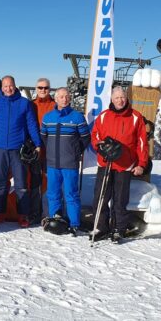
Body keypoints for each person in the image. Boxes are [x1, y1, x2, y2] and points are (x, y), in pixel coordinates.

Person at [90, 87, 148, 243]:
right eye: (116, 98)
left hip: (125, 164)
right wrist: (100, 146)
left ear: (126, 98)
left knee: (120, 199)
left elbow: (142, 142)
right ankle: (101, 227)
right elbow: (95, 136)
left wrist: (141, 163)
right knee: (100, 197)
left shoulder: (136, 117)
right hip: (106, 163)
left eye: (122, 97)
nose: (120, 100)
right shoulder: (103, 116)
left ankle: (118, 229)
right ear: (111, 99)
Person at [0, 75, 42, 227]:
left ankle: (23, 215)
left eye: (10, 85)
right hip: (0, 149)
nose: (8, 88)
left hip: (18, 148)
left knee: (21, 184)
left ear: (15, 86)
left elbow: (31, 125)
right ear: (1, 88)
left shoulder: (24, 103)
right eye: (5, 86)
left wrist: (37, 143)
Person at [40, 88, 90, 235]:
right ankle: (56, 218)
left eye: (67, 96)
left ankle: (74, 222)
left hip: (70, 163)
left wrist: (75, 152)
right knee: (53, 193)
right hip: (52, 163)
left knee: (71, 194)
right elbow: (44, 137)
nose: (64, 99)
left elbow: (85, 138)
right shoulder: (48, 118)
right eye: (61, 97)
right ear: (56, 99)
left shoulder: (77, 117)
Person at [28, 77, 55, 223]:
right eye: (40, 88)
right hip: (35, 149)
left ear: (49, 89)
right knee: (35, 182)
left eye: (45, 88)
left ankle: (52, 213)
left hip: (51, 150)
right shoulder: (31, 105)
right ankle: (35, 212)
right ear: (36, 89)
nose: (43, 90)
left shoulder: (55, 105)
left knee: (52, 182)